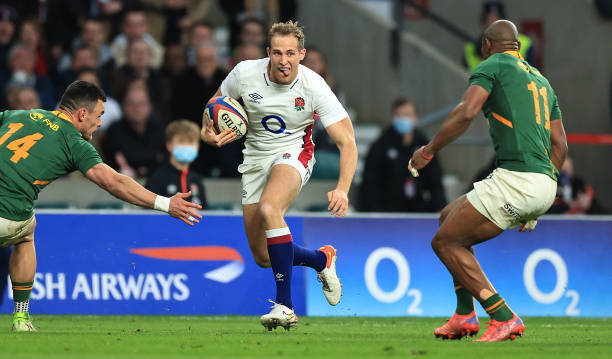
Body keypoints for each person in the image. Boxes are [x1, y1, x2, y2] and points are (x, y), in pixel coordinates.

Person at [409, 20, 567, 342]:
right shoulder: (542, 81)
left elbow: (467, 112)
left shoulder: (492, 65)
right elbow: (560, 145)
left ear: (486, 46)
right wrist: (537, 205)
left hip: (516, 178)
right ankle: (465, 316)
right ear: (518, 48)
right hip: (545, 182)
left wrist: (429, 150)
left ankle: (503, 316)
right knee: (447, 219)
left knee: (445, 242)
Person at [0, 80, 202, 332]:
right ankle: (21, 318)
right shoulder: (75, 143)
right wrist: (165, 203)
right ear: (82, 114)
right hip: (7, 217)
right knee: (25, 234)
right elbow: (113, 182)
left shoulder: (21, 114)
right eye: (99, 115)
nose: (100, 123)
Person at [201, 20, 358, 330]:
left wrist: (342, 188)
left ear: (302, 54)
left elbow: (348, 141)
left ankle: (285, 306)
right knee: (262, 256)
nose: (283, 61)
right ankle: (320, 260)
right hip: (255, 157)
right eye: (277, 53)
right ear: (267, 52)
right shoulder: (245, 73)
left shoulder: (314, 85)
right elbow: (212, 107)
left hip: (294, 152)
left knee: (270, 209)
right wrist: (209, 133)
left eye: (290, 53)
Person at [360, 98, 446, 212]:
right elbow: (370, 182)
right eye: (400, 115)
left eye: (408, 115)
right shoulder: (380, 145)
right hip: (388, 209)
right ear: (393, 118)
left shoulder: (424, 146)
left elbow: (435, 180)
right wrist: (375, 212)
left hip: (418, 208)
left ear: (415, 118)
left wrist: (440, 208)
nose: (404, 119)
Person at [101, 81, 166, 178]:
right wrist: (153, 160)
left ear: (150, 107)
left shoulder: (159, 129)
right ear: (123, 107)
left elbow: (166, 158)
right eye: (131, 103)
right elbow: (117, 158)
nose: (137, 108)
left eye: (141, 103)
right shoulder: (114, 130)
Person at [147, 120, 207, 209]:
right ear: (169, 145)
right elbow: (147, 214)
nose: (186, 146)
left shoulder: (196, 180)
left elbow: (206, 214)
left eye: (190, 142)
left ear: (198, 146)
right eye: (181, 141)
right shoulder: (157, 177)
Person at [463, 1, 536, 72]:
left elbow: (534, 77)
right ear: (483, 22)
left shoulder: (525, 43)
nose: (492, 23)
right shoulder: (471, 48)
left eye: (497, 20)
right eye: (489, 20)